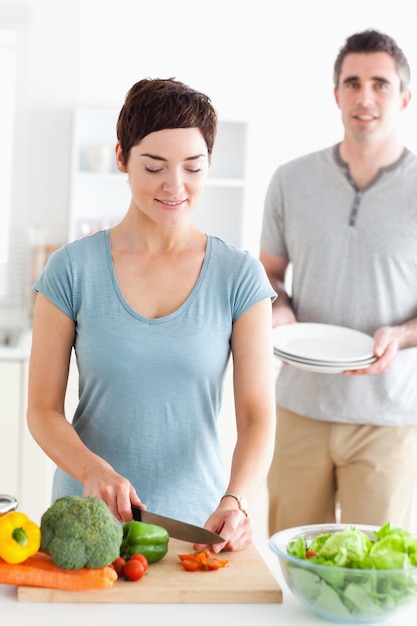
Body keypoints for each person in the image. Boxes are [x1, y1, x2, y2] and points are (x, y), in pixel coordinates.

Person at [27, 78, 277, 552]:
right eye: (154, 166)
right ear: (121, 157)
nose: (175, 186)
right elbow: (41, 410)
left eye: (193, 168)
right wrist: (92, 471)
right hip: (85, 524)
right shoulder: (71, 268)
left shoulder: (238, 275)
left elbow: (257, 414)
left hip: (199, 530)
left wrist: (237, 501)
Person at [260, 30, 417, 535]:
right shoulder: (291, 179)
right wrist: (278, 308)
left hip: (389, 417)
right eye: (352, 83)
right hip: (300, 406)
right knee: (289, 560)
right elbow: (268, 274)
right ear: (336, 95)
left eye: (380, 84)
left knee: (376, 574)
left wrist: (402, 335)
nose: (365, 97)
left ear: (405, 97)